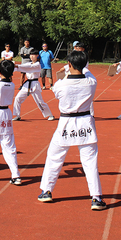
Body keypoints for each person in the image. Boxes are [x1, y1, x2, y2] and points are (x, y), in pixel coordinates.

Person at [37, 50, 106, 210]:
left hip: (66, 123)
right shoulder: (91, 82)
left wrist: (67, 71)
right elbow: (87, 72)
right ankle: (96, 197)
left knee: (54, 158)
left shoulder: (61, 84)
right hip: (85, 123)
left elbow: (58, 90)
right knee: (90, 162)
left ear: (69, 65)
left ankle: (46, 190)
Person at [12, 48, 55, 121]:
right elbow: (21, 68)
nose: (32, 56)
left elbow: (28, 68)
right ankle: (17, 115)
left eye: (34, 55)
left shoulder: (38, 64)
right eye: (31, 55)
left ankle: (50, 115)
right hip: (27, 84)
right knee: (17, 98)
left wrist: (15, 65)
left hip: (35, 84)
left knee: (40, 101)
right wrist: (11, 66)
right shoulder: (28, 63)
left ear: (37, 56)